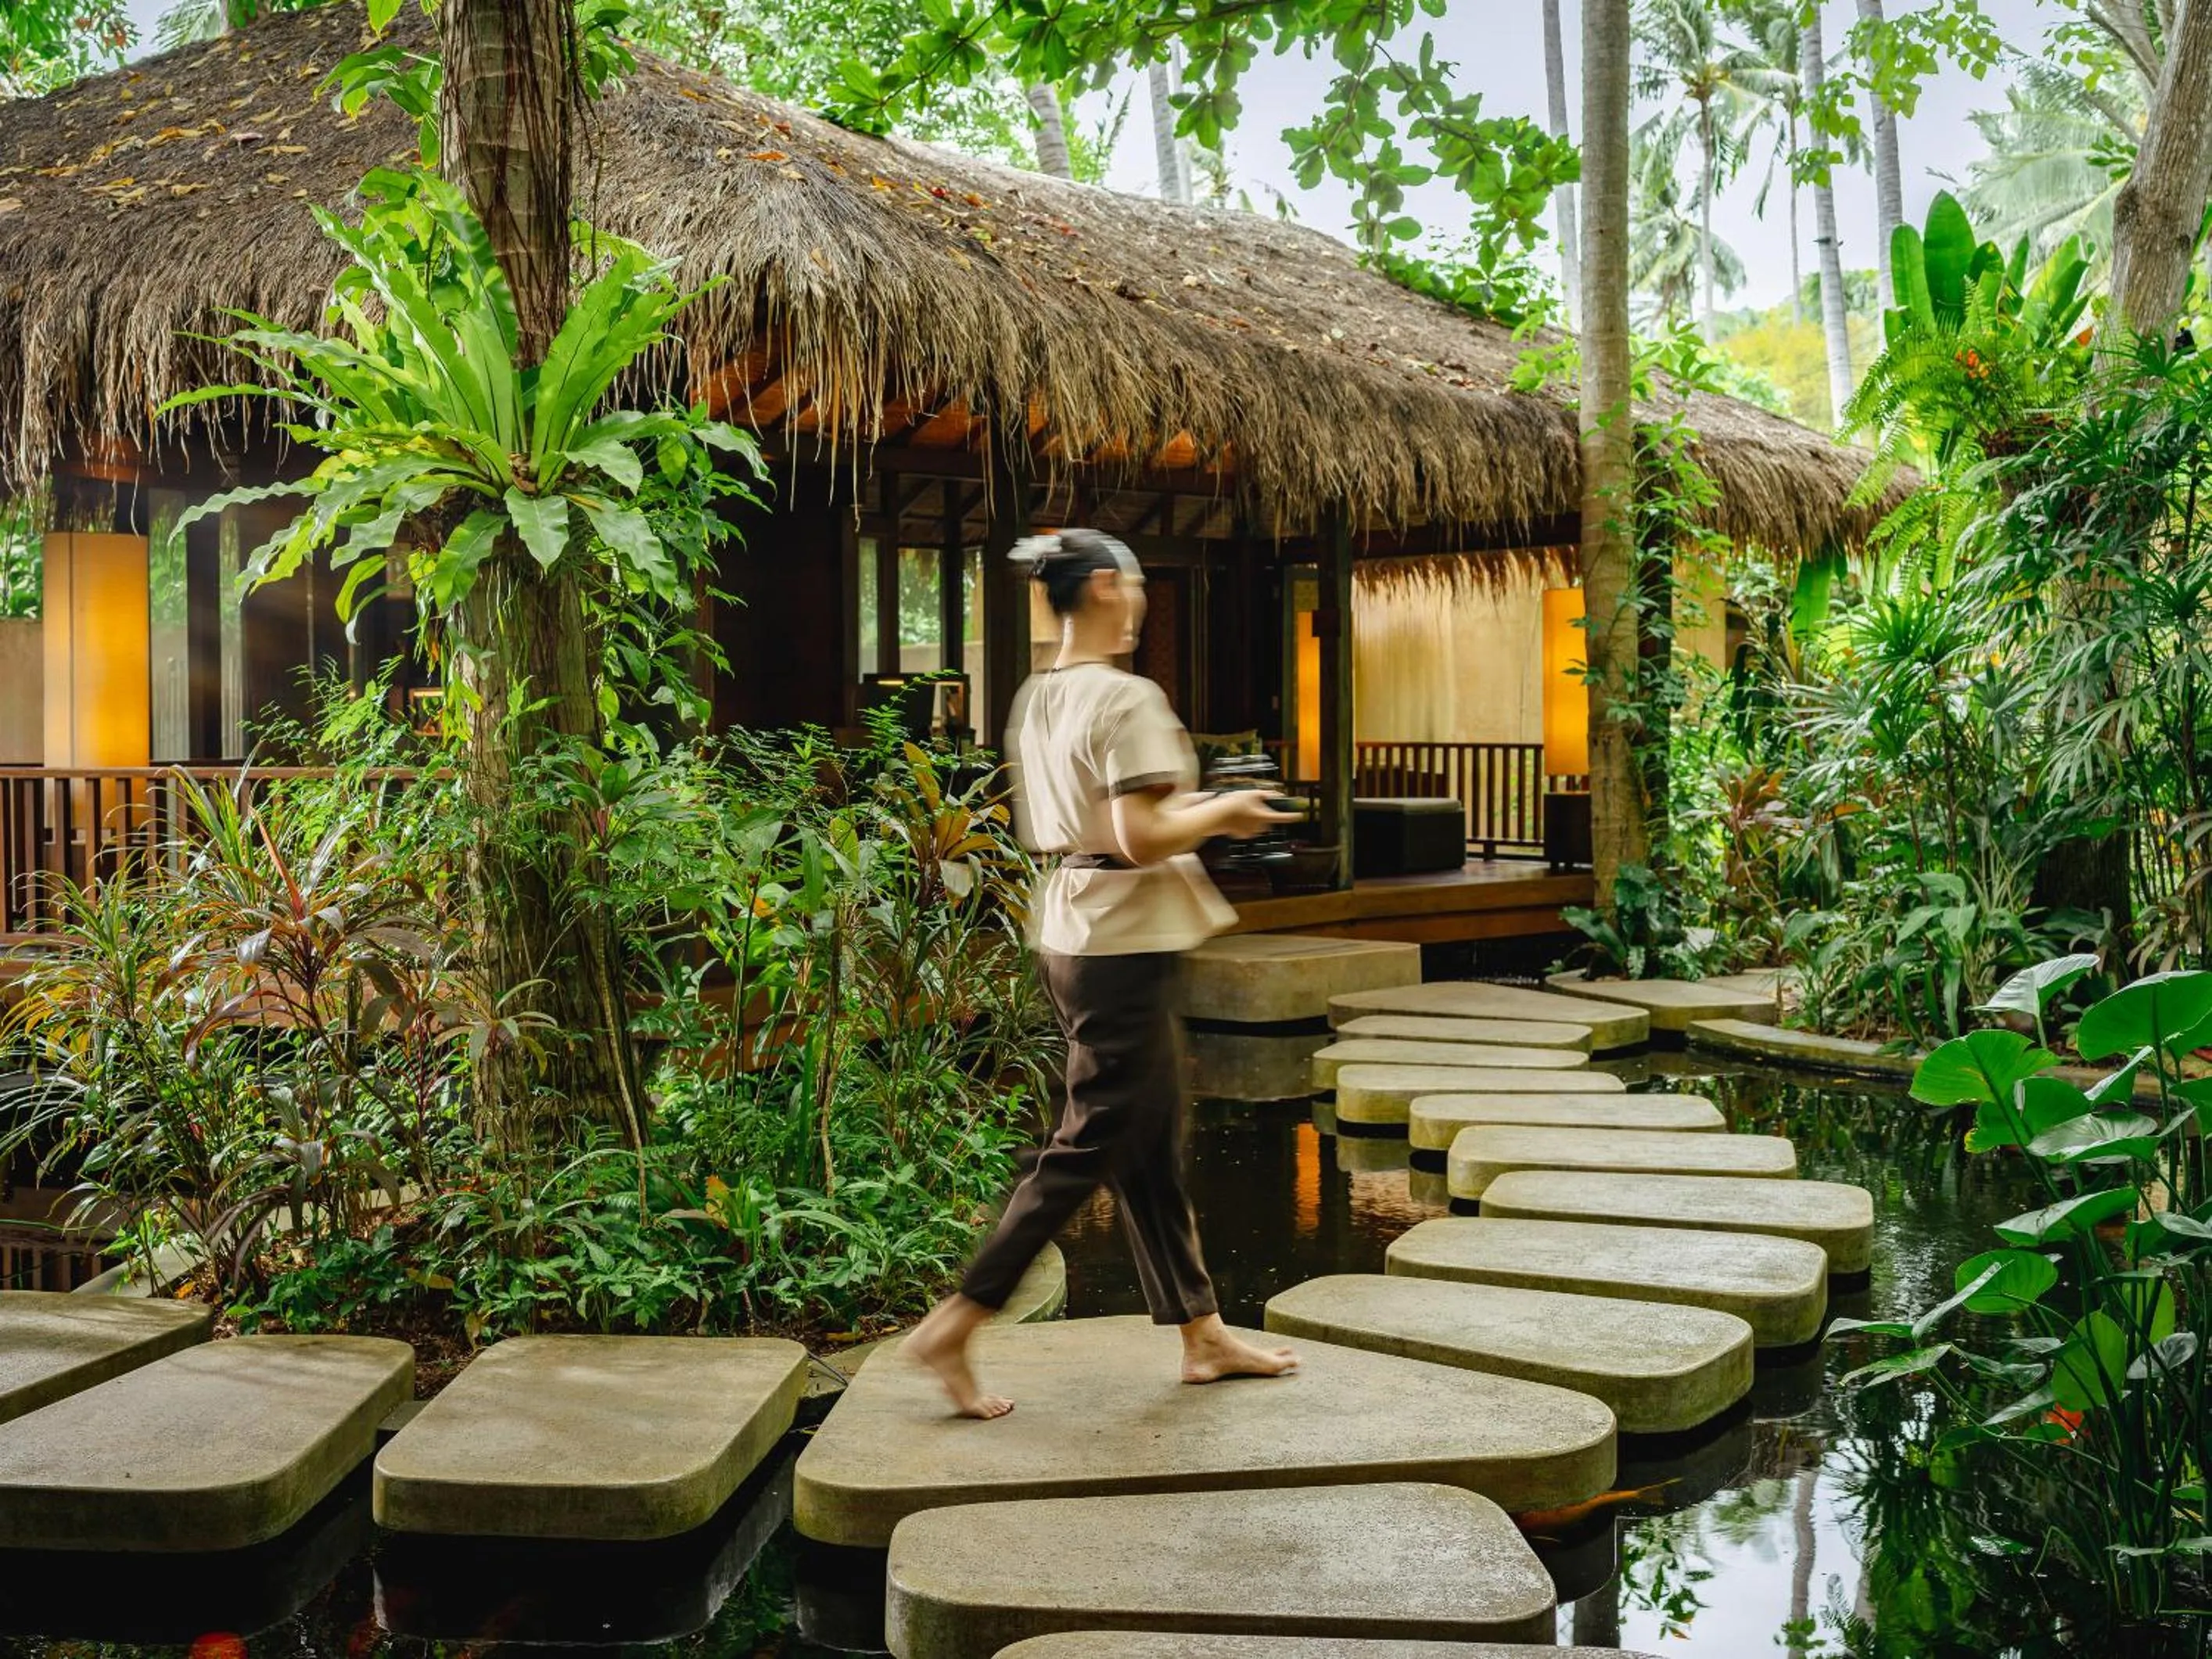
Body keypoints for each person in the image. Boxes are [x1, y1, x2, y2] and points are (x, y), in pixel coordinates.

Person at [903, 528, 1301, 1419]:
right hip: (1121, 941)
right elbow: (1139, 835)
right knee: (1088, 1143)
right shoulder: (1127, 698)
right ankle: (957, 1321)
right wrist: (1226, 812)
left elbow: (1099, 822)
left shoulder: (1041, 696)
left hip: (1076, 928)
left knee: (1146, 1141)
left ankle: (1201, 1334)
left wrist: (1192, 810)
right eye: (1136, 587)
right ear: (1110, 590)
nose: (1143, 602)